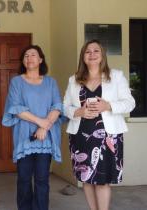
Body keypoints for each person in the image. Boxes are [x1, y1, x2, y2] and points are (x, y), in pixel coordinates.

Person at [63, 39, 135, 210]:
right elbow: (64, 106)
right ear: (83, 57)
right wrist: (78, 112)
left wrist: (108, 105)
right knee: (87, 180)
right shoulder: (74, 80)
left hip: (108, 137)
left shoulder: (116, 76)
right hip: (81, 135)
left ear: (102, 55)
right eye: (88, 52)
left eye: (96, 51)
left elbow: (130, 103)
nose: (92, 54)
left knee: (102, 181)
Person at [2, 45, 63, 210]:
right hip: (24, 137)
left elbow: (57, 107)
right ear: (23, 61)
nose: (29, 58)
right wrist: (40, 122)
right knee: (23, 179)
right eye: (26, 55)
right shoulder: (17, 82)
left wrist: (44, 127)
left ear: (41, 59)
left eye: (33, 55)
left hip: (45, 138)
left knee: (42, 180)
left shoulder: (51, 82)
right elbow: (16, 109)